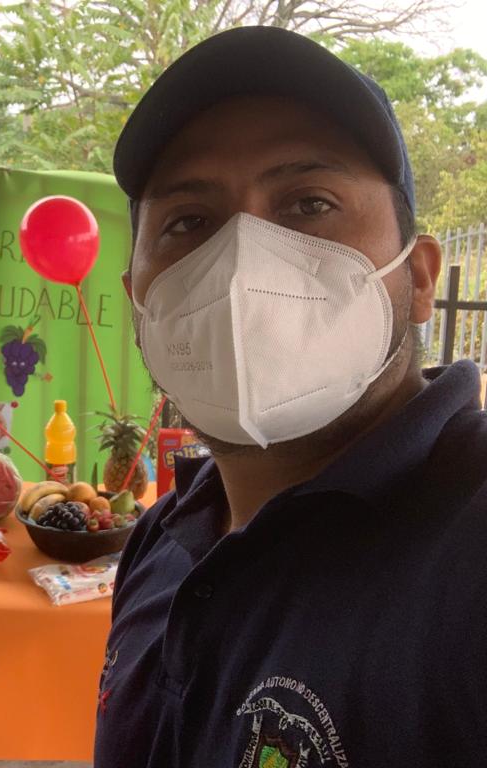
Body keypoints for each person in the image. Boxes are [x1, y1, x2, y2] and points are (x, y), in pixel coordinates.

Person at [97, 26, 487, 766]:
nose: (241, 263)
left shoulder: (469, 552)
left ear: (419, 279)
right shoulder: (160, 540)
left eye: (309, 204)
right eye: (189, 222)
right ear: (137, 302)